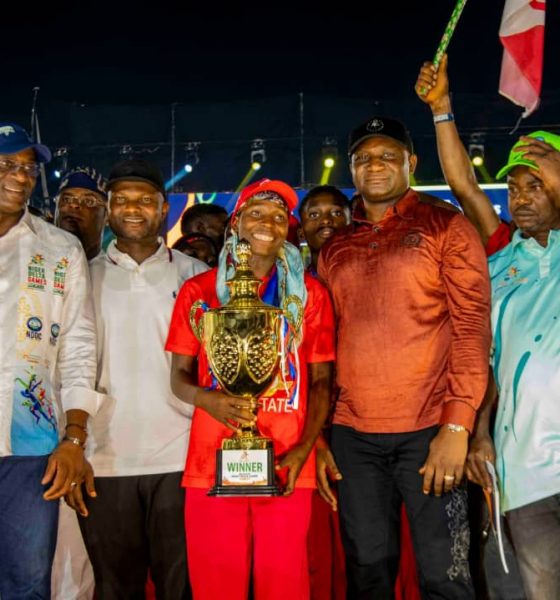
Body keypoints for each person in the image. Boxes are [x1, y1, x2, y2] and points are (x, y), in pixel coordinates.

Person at [317, 116, 491, 598]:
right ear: (351, 168)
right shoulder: (334, 248)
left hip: (431, 428)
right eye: (364, 158)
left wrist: (457, 426)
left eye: (388, 156)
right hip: (353, 435)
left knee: (445, 574)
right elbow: (323, 349)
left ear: (411, 163)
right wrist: (321, 435)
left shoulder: (446, 227)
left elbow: (472, 330)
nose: (375, 165)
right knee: (367, 570)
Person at [166, 178, 336, 600]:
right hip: (212, 460)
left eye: (279, 217)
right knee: (216, 586)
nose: (267, 224)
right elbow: (179, 377)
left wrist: (305, 448)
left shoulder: (309, 296)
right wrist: (208, 400)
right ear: (236, 223)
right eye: (256, 213)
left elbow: (320, 382)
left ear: (288, 229)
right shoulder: (200, 292)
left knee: (284, 585)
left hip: (287, 461)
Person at [66, 159, 207, 599]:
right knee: (115, 588)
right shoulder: (82, 276)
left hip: (181, 458)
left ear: (164, 208)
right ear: (108, 210)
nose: (133, 208)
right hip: (104, 460)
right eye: (121, 200)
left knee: (180, 588)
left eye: (145, 200)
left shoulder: (196, 276)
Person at [0, 122, 102, 598]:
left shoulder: (58, 248)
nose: (21, 176)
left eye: (27, 168)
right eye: (7, 164)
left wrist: (74, 438)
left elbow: (79, 348)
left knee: (27, 582)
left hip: (30, 444)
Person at [461, 132, 560, 599]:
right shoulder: (498, 268)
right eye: (514, 188)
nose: (520, 198)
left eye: (535, 186)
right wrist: (480, 434)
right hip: (526, 467)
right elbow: (488, 363)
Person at [52, 168, 108, 600]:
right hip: (37, 430)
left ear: (106, 216)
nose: (76, 208)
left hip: (104, 441)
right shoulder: (39, 260)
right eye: (68, 200)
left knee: (81, 561)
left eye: (89, 203)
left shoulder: (114, 270)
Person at [55, 167, 108, 261]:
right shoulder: (34, 259)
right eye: (66, 199)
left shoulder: (114, 269)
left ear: (107, 215)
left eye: (89, 201)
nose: (74, 204)